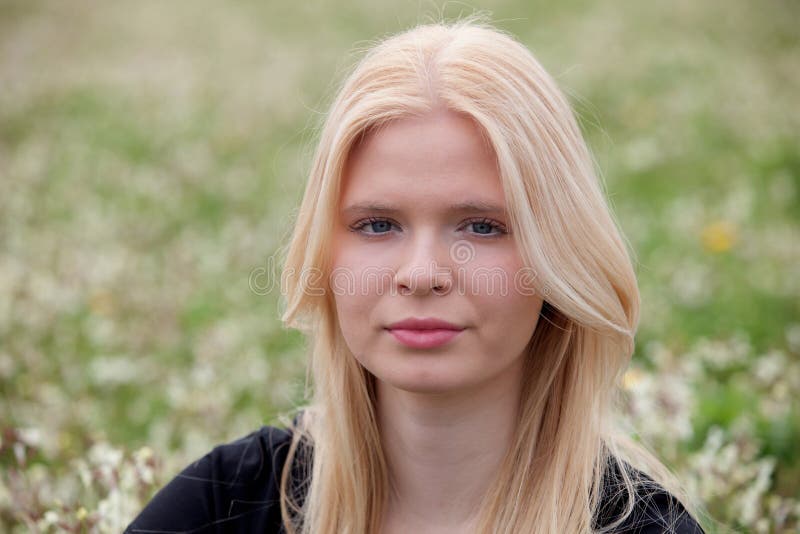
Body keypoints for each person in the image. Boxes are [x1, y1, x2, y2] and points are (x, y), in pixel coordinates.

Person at [125, 15, 706, 534]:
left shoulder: (643, 527)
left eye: (481, 227)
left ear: (558, 257)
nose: (422, 275)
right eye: (377, 225)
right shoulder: (226, 504)